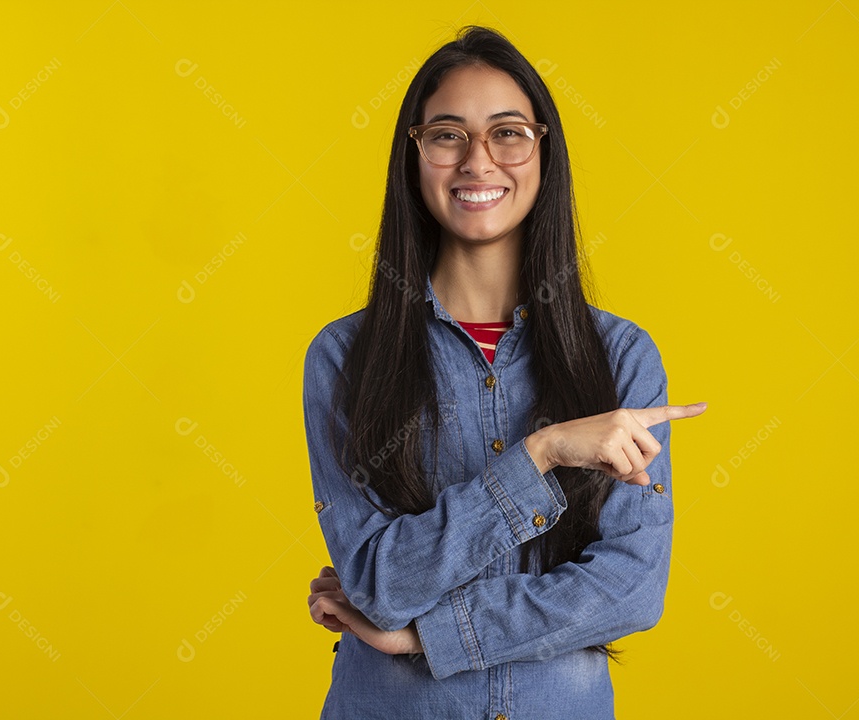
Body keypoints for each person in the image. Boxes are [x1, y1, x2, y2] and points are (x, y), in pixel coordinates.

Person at [302, 24, 707, 719]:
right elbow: (377, 581)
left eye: (509, 132)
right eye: (447, 135)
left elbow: (632, 587)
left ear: (545, 151)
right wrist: (542, 453)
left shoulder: (622, 359)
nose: (478, 161)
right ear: (415, 154)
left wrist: (424, 637)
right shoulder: (343, 358)